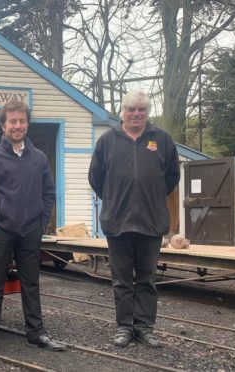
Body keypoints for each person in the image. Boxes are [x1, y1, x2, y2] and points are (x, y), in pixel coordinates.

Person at [0, 100, 64, 353]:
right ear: (3, 125)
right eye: (12, 121)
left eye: (22, 121)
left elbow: (48, 193)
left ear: (27, 123)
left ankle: (36, 333)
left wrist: (41, 223)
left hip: (30, 232)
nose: (17, 125)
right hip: (1, 230)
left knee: (31, 283)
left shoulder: (39, 158)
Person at [88, 91, 180, 348]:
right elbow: (96, 178)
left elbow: (172, 176)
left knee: (147, 279)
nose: (136, 114)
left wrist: (151, 196)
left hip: (151, 222)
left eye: (141, 110)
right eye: (131, 110)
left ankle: (145, 327)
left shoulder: (162, 140)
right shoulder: (107, 141)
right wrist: (115, 197)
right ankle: (124, 327)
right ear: (123, 112)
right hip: (117, 223)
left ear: (147, 113)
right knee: (121, 280)